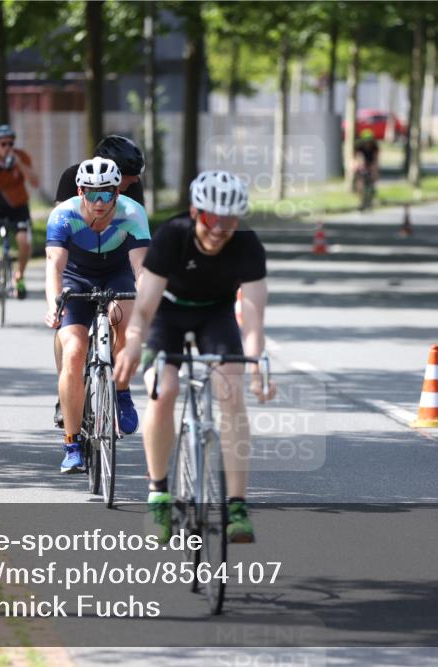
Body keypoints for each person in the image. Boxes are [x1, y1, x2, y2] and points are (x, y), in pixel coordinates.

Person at [114, 170, 276, 544]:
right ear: (194, 212)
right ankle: (159, 494)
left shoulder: (247, 245)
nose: (218, 229)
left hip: (216, 314)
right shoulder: (173, 235)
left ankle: (237, 506)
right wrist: (134, 344)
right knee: (163, 389)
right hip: (167, 313)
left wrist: (256, 368)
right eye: (210, 218)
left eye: (228, 221)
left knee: (231, 391)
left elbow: (253, 321)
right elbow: (144, 309)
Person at [45, 157, 150, 473]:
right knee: (74, 352)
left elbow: (141, 268)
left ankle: (121, 390)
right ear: (80, 191)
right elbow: (54, 266)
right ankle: (72, 443)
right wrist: (53, 304)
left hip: (117, 275)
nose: (100, 202)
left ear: (118, 192)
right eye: (92, 193)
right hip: (76, 277)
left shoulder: (132, 213)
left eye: (107, 193)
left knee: (126, 323)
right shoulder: (64, 215)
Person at [0, 124, 40, 298]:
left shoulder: (21, 157)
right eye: (3, 144)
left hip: (19, 208)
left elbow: (35, 182)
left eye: (11, 144)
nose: (7, 147)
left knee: (23, 240)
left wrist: (19, 164)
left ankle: (19, 276)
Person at [56, 135, 145, 206]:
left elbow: (138, 220)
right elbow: (60, 217)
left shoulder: (133, 185)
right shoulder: (72, 177)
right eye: (129, 174)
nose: (135, 180)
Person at [352, 128, 380, 192]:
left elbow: (376, 158)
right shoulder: (359, 147)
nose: (367, 143)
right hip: (361, 162)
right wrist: (358, 164)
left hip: (370, 162)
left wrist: (374, 167)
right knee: (357, 170)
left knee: (374, 171)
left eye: (369, 141)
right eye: (366, 141)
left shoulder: (374, 148)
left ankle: (372, 186)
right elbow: (358, 156)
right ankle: (358, 186)